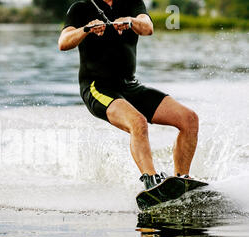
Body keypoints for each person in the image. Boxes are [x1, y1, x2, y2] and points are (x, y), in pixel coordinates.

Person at [58, 0, 199, 190]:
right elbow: (63, 42)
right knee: (137, 122)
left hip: (130, 86)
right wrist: (86, 29)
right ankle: (151, 180)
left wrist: (131, 22)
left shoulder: (132, 3)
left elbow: (147, 27)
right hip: (97, 88)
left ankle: (182, 179)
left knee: (189, 119)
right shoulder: (81, 8)